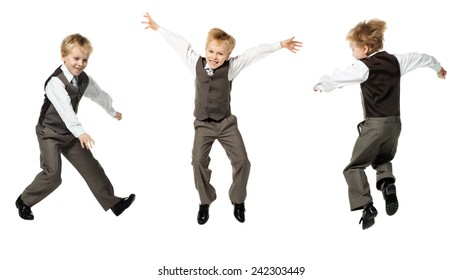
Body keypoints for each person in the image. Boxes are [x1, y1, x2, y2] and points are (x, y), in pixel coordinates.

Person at [142, 12, 302, 224]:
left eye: (220, 54)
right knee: (198, 161)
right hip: (203, 124)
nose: (214, 57)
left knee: (243, 161)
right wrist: (158, 28)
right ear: (205, 49)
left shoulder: (231, 68)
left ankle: (238, 200)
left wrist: (280, 44)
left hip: (226, 124)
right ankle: (205, 201)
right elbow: (180, 44)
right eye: (211, 51)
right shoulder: (195, 63)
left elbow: (255, 53)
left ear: (227, 56)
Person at [313, 18, 446, 230]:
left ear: (365, 48)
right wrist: (438, 69)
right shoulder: (397, 61)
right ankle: (387, 184)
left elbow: (339, 78)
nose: (352, 53)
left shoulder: (362, 66)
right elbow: (422, 58)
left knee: (354, 166)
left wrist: (320, 85)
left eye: (353, 49)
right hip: (395, 125)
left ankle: (366, 206)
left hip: (374, 126)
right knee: (382, 158)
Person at [15, 33, 135, 220]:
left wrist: (111, 110)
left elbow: (98, 94)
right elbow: (66, 110)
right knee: (53, 175)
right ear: (63, 56)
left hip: (70, 134)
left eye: (85, 60)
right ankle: (24, 201)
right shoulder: (56, 82)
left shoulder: (83, 79)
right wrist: (81, 132)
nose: (80, 64)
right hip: (49, 133)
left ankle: (114, 203)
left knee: (91, 166)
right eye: (76, 58)